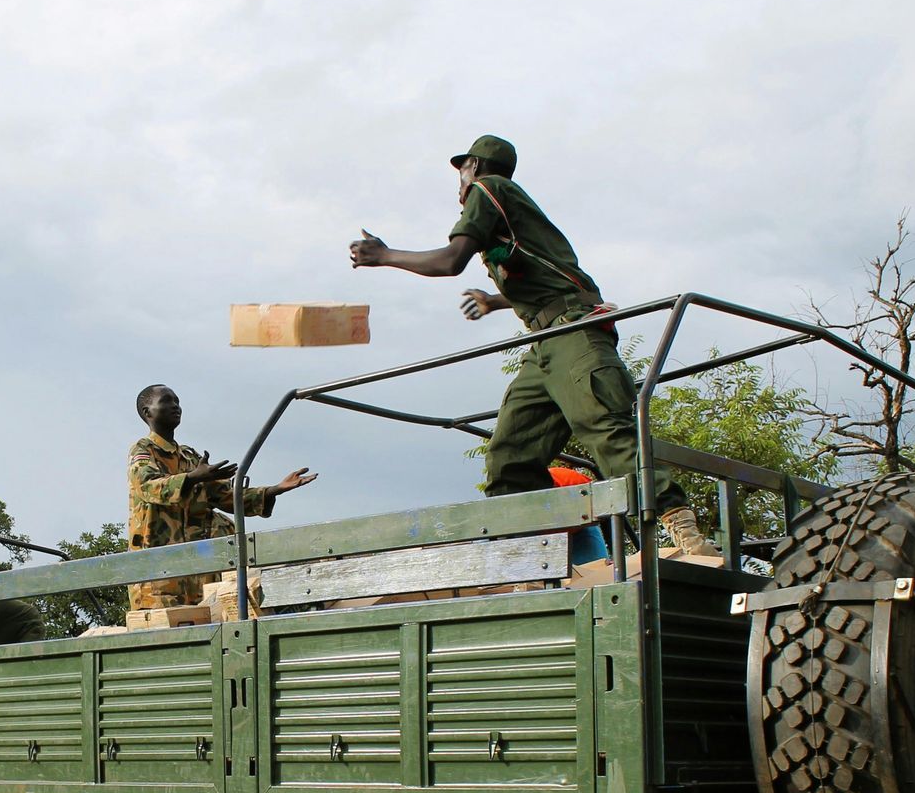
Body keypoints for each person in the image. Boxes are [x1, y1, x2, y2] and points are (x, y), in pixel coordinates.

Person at [349, 134, 718, 558]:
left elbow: (450, 262)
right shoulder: (507, 212)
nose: (458, 183)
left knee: (606, 430)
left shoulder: (489, 191)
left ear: (474, 167)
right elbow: (547, 273)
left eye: (460, 171)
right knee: (510, 458)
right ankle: (545, 554)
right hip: (545, 343)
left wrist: (385, 255)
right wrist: (495, 301)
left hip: (574, 334)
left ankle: (685, 532)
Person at [128, 385, 316, 610]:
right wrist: (192, 478)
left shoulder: (189, 456)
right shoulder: (144, 450)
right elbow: (148, 486)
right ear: (147, 412)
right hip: (158, 574)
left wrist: (274, 489)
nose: (175, 406)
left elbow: (227, 497)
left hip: (198, 573)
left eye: (177, 401)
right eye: (166, 401)